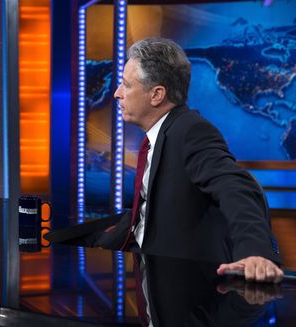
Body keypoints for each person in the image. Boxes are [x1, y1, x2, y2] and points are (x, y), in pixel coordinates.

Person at [100, 37, 283, 282]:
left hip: (177, 282)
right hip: (140, 267)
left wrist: (255, 253)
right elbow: (147, 210)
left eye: (125, 85)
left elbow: (236, 187)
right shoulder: (159, 134)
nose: (116, 93)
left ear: (156, 95)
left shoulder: (191, 131)